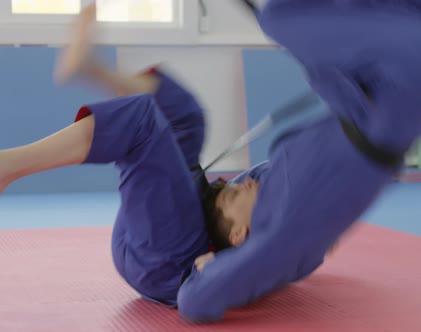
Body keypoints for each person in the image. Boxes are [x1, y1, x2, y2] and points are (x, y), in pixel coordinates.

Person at [173, 0, 421, 323]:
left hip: (376, 86)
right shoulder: (282, 235)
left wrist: (200, 190)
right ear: (239, 236)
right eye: (234, 195)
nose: (243, 182)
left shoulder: (269, 192)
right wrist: (213, 267)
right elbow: (195, 302)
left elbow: (249, 186)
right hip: (400, 88)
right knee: (280, 16)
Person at [0, 3, 259, 308]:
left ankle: (9, 166)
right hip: (180, 219)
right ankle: (91, 68)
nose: (252, 184)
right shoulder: (263, 194)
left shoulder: (265, 241)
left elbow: (277, 256)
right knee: (187, 117)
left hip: (170, 262)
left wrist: (230, 267)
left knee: (142, 120)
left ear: (241, 234)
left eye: (257, 194)